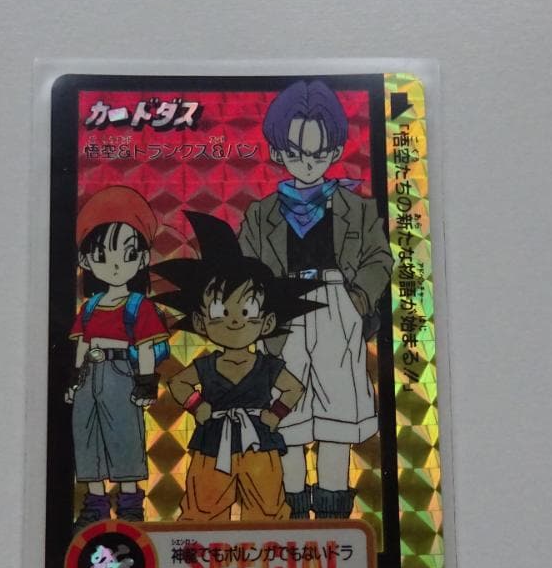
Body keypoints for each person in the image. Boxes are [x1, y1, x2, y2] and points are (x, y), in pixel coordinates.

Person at [238, 80, 393, 519]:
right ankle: (290, 507)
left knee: (336, 417)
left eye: (319, 153)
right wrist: (262, 315)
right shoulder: (260, 213)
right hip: (282, 314)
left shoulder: (357, 208)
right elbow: (245, 268)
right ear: (278, 152)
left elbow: (379, 258)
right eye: (296, 153)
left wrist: (356, 302)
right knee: (285, 415)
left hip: (337, 310)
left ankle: (332, 512)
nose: (308, 163)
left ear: (335, 151)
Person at [153, 211, 322, 522]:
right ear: (200, 321)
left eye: (247, 311)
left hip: (260, 445)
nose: (234, 321)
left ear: (267, 322)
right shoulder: (206, 365)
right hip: (212, 443)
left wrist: (275, 414)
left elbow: (294, 388)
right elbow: (178, 382)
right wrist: (197, 406)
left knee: (267, 511)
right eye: (220, 311)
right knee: (203, 511)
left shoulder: (267, 365)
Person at [65, 186, 169, 530]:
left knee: (125, 437)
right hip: (89, 377)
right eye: (101, 255)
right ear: (85, 260)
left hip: (122, 373)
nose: (114, 265)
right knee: (88, 436)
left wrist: (146, 384)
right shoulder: (90, 306)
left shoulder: (139, 306)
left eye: (127, 254)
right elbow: (81, 344)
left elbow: (144, 348)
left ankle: (130, 504)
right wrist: (74, 379)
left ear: (142, 259)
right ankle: (95, 503)